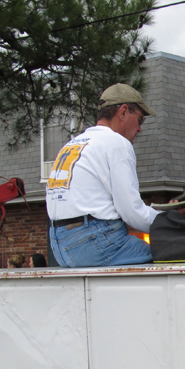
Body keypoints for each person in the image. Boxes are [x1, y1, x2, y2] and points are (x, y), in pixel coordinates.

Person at [46, 83, 160, 267]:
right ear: (123, 112)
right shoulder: (117, 143)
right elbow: (132, 213)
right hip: (94, 242)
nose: (140, 129)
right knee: (172, 255)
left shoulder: (72, 144)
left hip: (59, 245)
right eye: (140, 120)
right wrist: (171, 221)